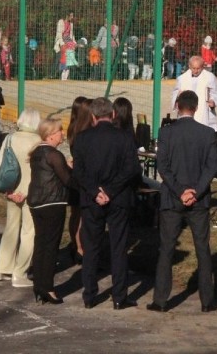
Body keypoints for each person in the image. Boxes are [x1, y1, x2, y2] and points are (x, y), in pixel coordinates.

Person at [149, 90, 217, 313]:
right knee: (202, 248)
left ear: (178, 106)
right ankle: (207, 300)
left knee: (167, 248)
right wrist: (196, 191)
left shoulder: (167, 133)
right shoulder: (207, 134)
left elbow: (163, 167)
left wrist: (180, 191)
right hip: (198, 199)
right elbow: (212, 167)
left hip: (172, 198)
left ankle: (160, 299)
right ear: (197, 107)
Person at [72, 97, 142, 310]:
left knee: (91, 247)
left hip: (93, 200)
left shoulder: (82, 139)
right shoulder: (124, 138)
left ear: (93, 117)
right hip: (118, 198)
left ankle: (89, 295)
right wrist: (109, 191)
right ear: (112, 115)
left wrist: (96, 191)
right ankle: (119, 296)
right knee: (118, 247)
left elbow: (79, 172)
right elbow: (131, 169)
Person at [28, 117, 78, 305]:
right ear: (50, 135)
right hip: (52, 203)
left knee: (40, 242)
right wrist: (73, 170)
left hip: (36, 202)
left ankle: (39, 283)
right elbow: (67, 180)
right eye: (59, 131)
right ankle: (48, 287)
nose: (62, 134)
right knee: (50, 246)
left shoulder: (37, 153)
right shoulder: (53, 154)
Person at [0, 109, 41, 288]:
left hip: (11, 190)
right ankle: (20, 272)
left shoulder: (9, 139)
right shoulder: (37, 142)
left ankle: (2, 267)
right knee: (29, 232)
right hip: (30, 192)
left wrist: (9, 191)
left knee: (11, 228)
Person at [65, 97, 93, 265]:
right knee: (81, 215)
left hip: (76, 174)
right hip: (82, 176)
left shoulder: (74, 128)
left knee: (76, 214)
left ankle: (76, 245)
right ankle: (80, 247)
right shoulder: (83, 133)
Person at [170, 54, 217, 137]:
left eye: (198, 68)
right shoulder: (182, 78)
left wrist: (213, 101)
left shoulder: (210, 77)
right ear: (189, 66)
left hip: (205, 113)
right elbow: (175, 92)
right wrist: (178, 96)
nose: (196, 71)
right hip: (187, 111)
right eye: (193, 68)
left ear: (202, 67)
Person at [53, 12, 75, 80]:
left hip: (68, 42)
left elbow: (71, 35)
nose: (72, 17)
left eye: (72, 16)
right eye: (71, 16)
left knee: (67, 59)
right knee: (58, 59)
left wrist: (74, 43)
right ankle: (54, 74)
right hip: (61, 42)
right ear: (67, 16)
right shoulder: (61, 22)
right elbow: (59, 34)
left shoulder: (71, 24)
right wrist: (62, 44)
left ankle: (65, 74)